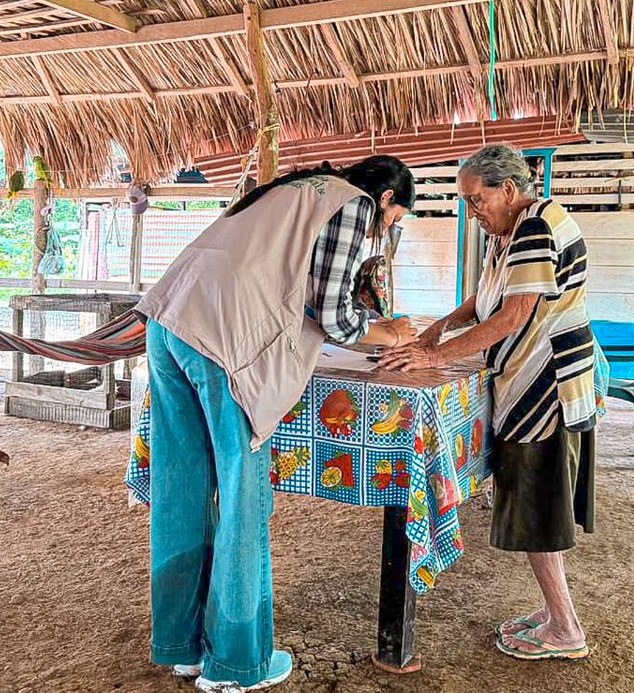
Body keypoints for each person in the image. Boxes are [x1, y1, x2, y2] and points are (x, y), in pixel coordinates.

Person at [136, 156, 418, 691]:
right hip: (223, 341)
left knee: (182, 492)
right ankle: (236, 665)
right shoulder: (353, 205)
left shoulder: (292, 190)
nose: (390, 230)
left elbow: (298, 292)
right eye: (396, 219)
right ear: (385, 199)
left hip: (168, 322)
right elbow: (334, 318)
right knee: (244, 500)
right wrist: (391, 335)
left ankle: (184, 645)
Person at [379, 144, 597, 661]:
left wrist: (435, 355)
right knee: (534, 506)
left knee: (536, 510)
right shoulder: (513, 231)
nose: (472, 212)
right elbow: (486, 299)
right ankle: (555, 614)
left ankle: (565, 629)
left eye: (477, 200)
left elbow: (512, 316)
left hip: (544, 389)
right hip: (537, 384)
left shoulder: (536, 227)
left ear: (508, 190)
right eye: (467, 203)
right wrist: (439, 328)